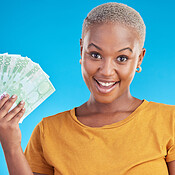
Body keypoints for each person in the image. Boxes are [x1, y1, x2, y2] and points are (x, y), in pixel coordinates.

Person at [0, 2, 175, 175]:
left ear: (139, 59)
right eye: (95, 55)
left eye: (122, 58)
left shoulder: (169, 121)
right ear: (82, 50)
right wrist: (11, 146)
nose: (106, 71)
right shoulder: (48, 130)